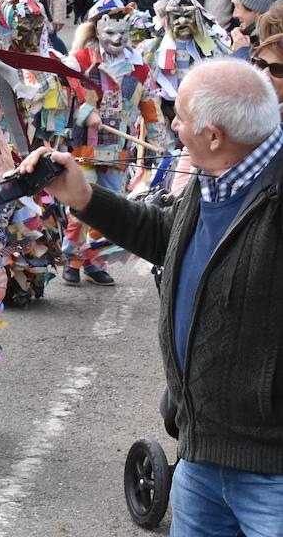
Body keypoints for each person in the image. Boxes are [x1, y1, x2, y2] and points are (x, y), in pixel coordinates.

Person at [21, 59, 283, 535]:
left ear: (215, 135)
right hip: (199, 457)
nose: (173, 126)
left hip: (271, 478)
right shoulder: (220, 176)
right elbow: (166, 235)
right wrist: (82, 196)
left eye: (180, 118)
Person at [61, 0, 161, 287]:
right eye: (110, 32)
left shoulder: (139, 67)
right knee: (82, 200)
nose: (117, 39)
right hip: (85, 148)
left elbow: (150, 106)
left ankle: (94, 261)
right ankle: (73, 259)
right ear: (96, 30)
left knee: (108, 208)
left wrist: (157, 142)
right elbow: (64, 88)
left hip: (118, 151)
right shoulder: (80, 61)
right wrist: (85, 110)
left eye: (122, 33)